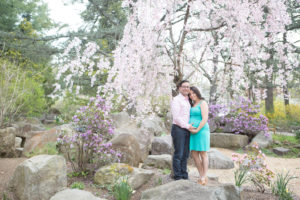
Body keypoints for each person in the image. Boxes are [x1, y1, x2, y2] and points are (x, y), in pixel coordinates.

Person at [171, 80, 193, 180]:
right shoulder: (176, 100)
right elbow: (176, 117)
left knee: (185, 154)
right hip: (178, 129)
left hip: (187, 129)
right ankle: (178, 176)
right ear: (179, 88)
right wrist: (187, 126)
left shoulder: (189, 100)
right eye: (184, 86)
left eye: (188, 87)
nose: (186, 88)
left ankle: (184, 175)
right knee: (178, 154)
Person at [188, 86, 210, 185]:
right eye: (190, 94)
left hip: (201, 130)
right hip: (192, 131)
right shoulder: (192, 104)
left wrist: (197, 129)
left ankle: (204, 176)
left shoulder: (203, 103)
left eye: (193, 93)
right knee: (194, 153)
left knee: (203, 153)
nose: (192, 95)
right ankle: (201, 176)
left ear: (197, 92)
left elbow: (205, 118)